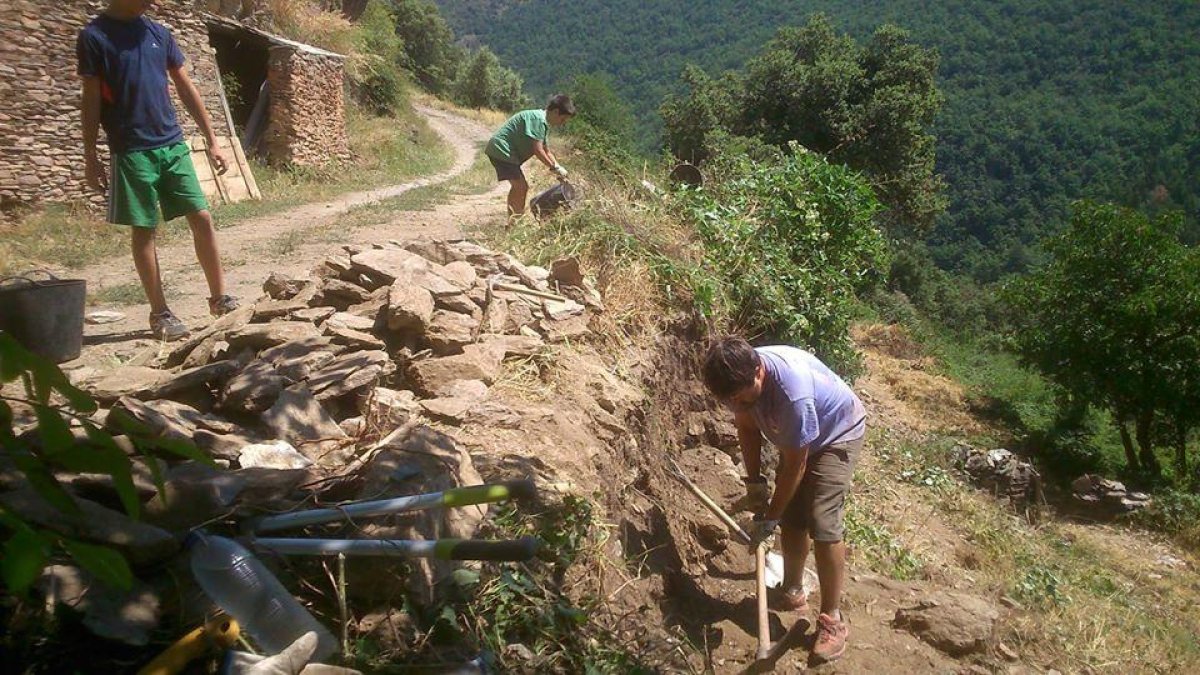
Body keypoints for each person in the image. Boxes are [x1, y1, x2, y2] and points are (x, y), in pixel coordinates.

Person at [78, 0, 238, 341]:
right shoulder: (95, 37)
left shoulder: (158, 32)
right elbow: (90, 97)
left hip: (172, 143)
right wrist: (91, 154)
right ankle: (160, 312)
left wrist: (213, 139)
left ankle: (220, 299)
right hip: (132, 149)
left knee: (202, 217)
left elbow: (184, 86)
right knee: (145, 229)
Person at [701, 336, 868, 663]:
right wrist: (754, 483)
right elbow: (748, 430)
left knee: (822, 519)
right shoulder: (737, 380)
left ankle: (833, 620)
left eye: (741, 397)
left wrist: (768, 520)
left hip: (837, 432)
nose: (737, 404)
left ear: (759, 374)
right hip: (801, 437)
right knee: (792, 517)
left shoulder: (792, 394)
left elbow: (796, 466)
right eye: (731, 400)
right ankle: (793, 590)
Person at [485, 94, 575, 219]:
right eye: (563, 119)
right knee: (521, 187)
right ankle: (515, 221)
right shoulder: (538, 120)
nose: (562, 123)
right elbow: (538, 150)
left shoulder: (542, 122)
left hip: (503, 151)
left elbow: (546, 151)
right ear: (555, 112)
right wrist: (554, 168)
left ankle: (513, 220)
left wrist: (558, 168)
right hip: (502, 150)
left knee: (519, 187)